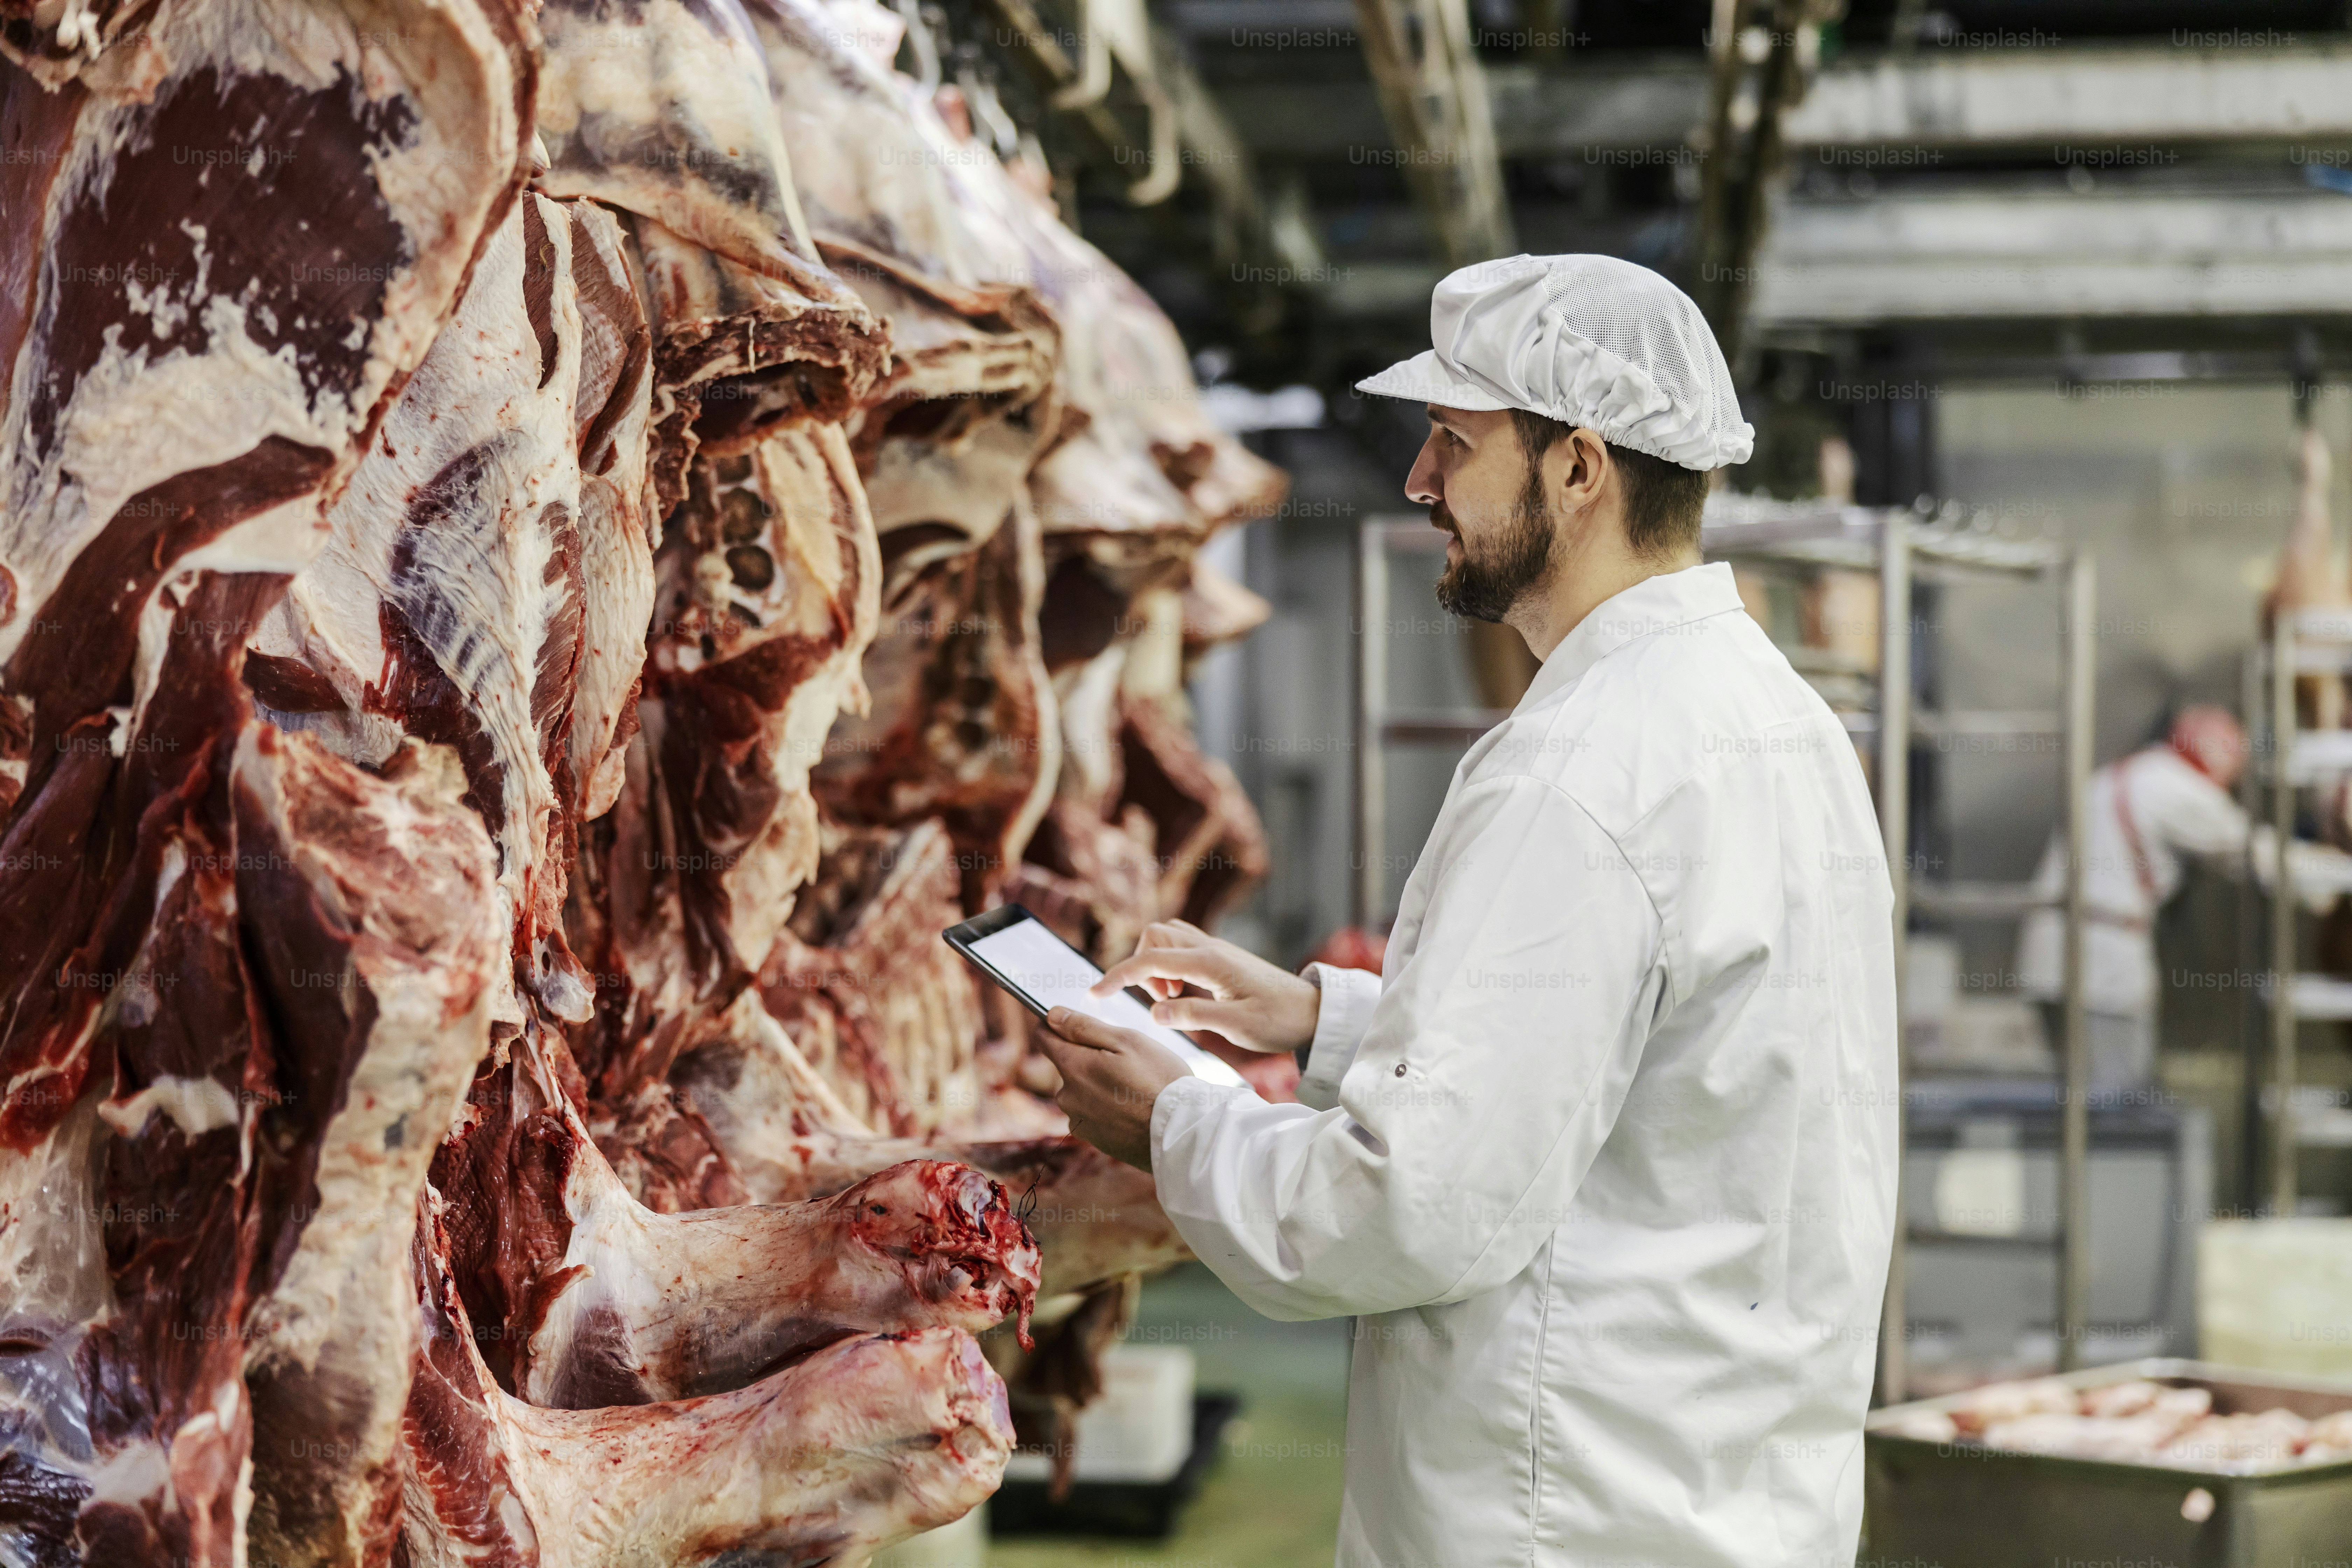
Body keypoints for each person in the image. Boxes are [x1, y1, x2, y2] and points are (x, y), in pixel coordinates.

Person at [1035, 254, 1899, 1568]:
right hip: (1723, 1495)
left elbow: (1399, 1212)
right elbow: (1646, 1059)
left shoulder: (1584, 768)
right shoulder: (1765, 716)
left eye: (1453, 440)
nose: (1418, 481)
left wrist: (1173, 1115)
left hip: (1562, 1515)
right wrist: (1321, 1017)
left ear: (1576, 469)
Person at [2016, 704, 2347, 1094]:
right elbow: (2250, 854)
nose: (2238, 769)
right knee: (2117, 1100)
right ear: (2211, 748)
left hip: (2053, 955)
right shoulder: (2177, 789)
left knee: (2079, 1098)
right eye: (2234, 752)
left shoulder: (2137, 773)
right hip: (2102, 967)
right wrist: (2334, 873)